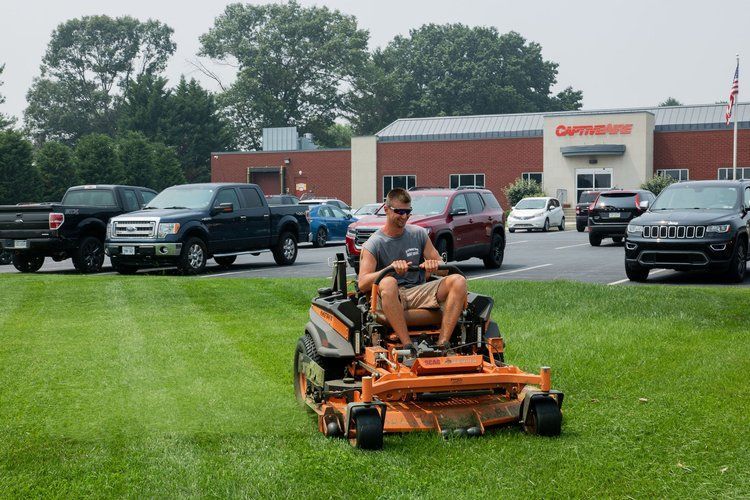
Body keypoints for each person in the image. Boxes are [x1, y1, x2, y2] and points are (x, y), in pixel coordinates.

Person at [357, 188, 468, 352]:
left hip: (418, 291)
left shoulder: (419, 234)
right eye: (399, 211)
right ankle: (407, 345)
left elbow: (444, 269)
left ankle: (442, 343)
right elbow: (362, 283)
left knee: (458, 280)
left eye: (408, 212)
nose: (404, 216)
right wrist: (389, 269)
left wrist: (435, 266)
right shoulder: (374, 244)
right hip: (391, 296)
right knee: (388, 282)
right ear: (386, 210)